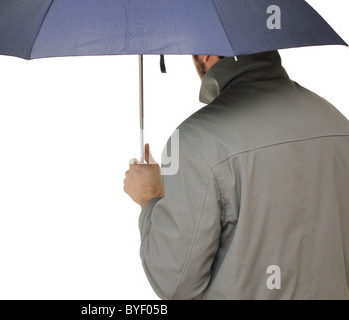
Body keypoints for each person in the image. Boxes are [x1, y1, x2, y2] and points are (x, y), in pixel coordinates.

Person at [123, 51, 349, 300]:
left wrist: (151, 197)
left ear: (206, 54)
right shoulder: (339, 125)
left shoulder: (193, 140)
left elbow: (175, 283)